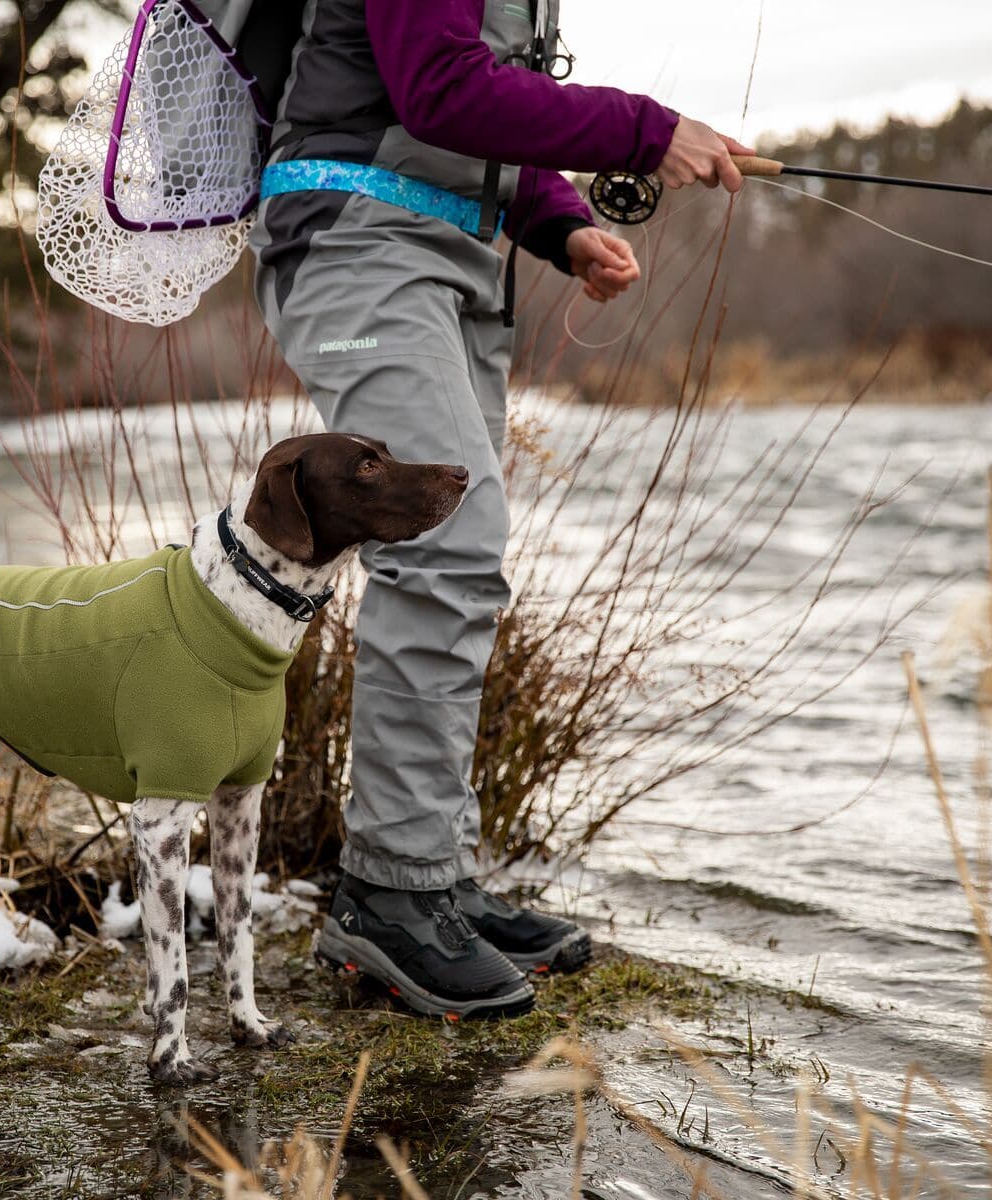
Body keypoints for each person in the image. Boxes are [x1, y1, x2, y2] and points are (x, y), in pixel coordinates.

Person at [251, 0, 753, 1016]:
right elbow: (442, 88)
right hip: (359, 239)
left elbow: (469, 120)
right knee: (442, 549)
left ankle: (434, 874)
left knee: (466, 559)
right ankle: (390, 897)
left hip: (450, 255)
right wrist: (648, 132)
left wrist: (559, 224)